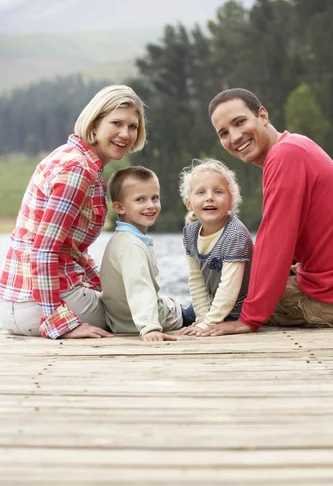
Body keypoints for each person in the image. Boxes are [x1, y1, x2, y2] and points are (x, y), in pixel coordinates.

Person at [201, 87, 333, 337]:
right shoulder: (295, 145)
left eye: (240, 122)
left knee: (233, 286)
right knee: (243, 275)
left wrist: (249, 319)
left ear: (263, 116)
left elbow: (275, 243)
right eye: (224, 133)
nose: (235, 136)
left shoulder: (284, 156)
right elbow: (292, 243)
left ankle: (181, 314)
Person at [0, 84, 146, 340]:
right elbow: (43, 250)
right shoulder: (78, 170)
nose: (125, 134)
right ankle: (191, 315)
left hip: (14, 304)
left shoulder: (70, 157)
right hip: (38, 306)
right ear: (95, 124)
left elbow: (72, 251)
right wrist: (59, 321)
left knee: (131, 300)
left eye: (132, 126)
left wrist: (106, 287)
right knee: (142, 312)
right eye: (116, 123)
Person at [100, 166, 195, 342]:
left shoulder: (122, 239)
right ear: (120, 207)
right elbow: (140, 289)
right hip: (160, 319)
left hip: (121, 321)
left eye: (155, 198)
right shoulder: (132, 246)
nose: (150, 205)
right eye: (140, 200)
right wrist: (150, 328)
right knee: (216, 308)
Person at [178, 158, 253, 336]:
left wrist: (208, 323)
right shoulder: (190, 231)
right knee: (178, 316)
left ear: (231, 201)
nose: (210, 197)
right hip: (213, 306)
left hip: (239, 310)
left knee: (186, 318)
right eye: (201, 192)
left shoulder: (235, 234)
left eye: (218, 192)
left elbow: (229, 288)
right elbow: (196, 279)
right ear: (189, 203)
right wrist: (202, 319)